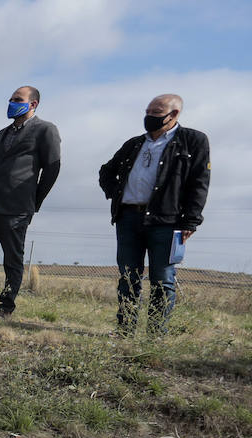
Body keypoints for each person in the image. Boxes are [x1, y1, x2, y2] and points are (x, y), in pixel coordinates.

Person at [97, 93, 210, 337]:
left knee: (162, 279)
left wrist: (191, 220)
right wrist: (116, 194)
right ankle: (125, 330)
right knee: (128, 277)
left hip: (167, 222)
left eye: (156, 114)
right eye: (147, 112)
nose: (150, 118)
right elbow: (107, 171)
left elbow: (199, 182)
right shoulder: (134, 143)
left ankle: (155, 335)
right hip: (128, 218)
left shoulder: (193, 141)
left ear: (174, 114)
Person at [0, 86, 60, 317]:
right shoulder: (0, 134)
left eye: (18, 99)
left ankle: (5, 308)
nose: (11, 102)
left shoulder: (45, 130)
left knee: (12, 260)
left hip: (18, 207)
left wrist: (33, 201)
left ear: (33, 104)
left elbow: (52, 169)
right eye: (10, 99)